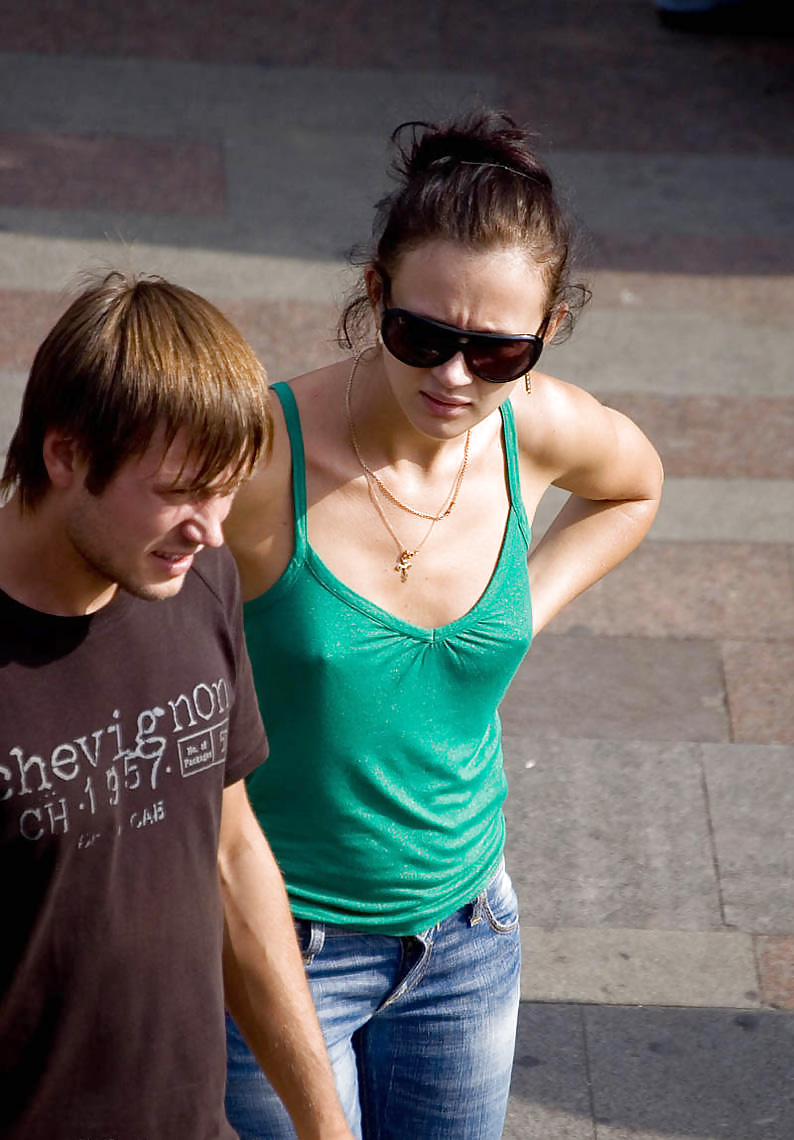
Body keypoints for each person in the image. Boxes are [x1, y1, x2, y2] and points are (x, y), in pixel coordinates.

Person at [223, 110, 664, 1140]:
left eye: (497, 350)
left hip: (469, 938)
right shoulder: (262, 457)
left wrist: (523, 611)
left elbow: (634, 487)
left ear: (548, 330)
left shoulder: (535, 428)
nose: (454, 377)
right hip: (282, 949)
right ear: (373, 291)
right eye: (421, 336)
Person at [0, 272, 354, 1140]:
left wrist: (325, 1125)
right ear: (66, 454)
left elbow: (232, 852)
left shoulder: (199, 581)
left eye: (226, 489)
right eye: (180, 490)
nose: (211, 529)